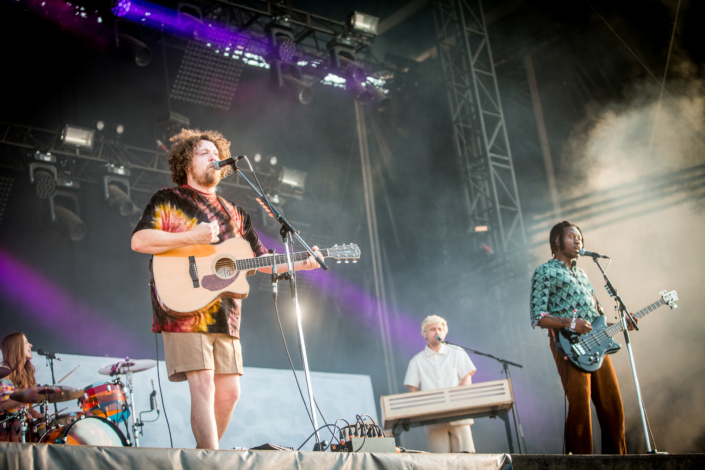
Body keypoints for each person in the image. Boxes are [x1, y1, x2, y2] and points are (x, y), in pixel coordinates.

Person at [131, 129, 321, 449]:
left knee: (230, 393)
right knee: (202, 383)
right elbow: (140, 241)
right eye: (204, 152)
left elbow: (262, 261)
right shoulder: (169, 198)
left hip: (227, 312)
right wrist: (190, 237)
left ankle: (204, 457)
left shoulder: (236, 213)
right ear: (186, 163)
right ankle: (213, 461)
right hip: (184, 308)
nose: (212, 157)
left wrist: (300, 264)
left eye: (215, 152)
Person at [530, 220, 631, 454]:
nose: (578, 241)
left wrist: (622, 324)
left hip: (596, 344)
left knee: (612, 407)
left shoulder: (583, 273)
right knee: (581, 408)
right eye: (571, 237)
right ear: (557, 241)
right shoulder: (545, 272)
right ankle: (580, 462)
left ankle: (619, 462)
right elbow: (538, 316)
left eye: (580, 238)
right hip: (568, 344)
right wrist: (570, 323)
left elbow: (598, 319)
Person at [403, 315, 477, 453]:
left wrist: (458, 401)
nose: (437, 332)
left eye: (440, 329)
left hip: (459, 415)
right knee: (440, 463)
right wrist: (425, 410)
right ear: (425, 334)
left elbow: (466, 379)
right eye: (432, 329)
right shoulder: (416, 361)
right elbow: (413, 391)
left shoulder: (457, 352)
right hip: (434, 420)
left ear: (445, 332)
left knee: (467, 460)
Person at [1, 332, 44, 442]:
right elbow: (5, 405)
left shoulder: (24, 375)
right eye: (26, 343)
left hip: (24, 426)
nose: (31, 345)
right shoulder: (4, 372)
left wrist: (39, 416)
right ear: (16, 348)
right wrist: (31, 394)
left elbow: (25, 408)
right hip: (9, 429)